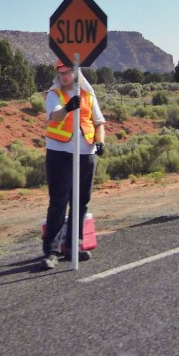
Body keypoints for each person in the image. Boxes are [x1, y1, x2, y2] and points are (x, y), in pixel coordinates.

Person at [41, 61, 106, 270]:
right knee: (59, 201)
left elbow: (98, 122)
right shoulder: (54, 95)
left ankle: (74, 246)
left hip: (86, 153)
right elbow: (54, 117)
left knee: (81, 201)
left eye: (67, 72)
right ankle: (51, 251)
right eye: (60, 73)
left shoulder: (88, 95)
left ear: (76, 73)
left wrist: (100, 141)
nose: (64, 77)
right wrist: (69, 107)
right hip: (60, 153)